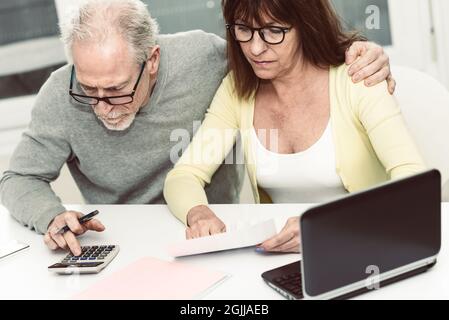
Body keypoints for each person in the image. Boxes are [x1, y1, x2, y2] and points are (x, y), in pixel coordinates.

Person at [1, 0, 393, 256]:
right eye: (89, 89)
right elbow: (18, 177)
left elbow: (278, 49)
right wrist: (51, 215)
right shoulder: (60, 92)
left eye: (117, 89)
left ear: (152, 60)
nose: (102, 105)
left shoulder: (206, 58)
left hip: (217, 238)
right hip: (121, 241)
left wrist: (355, 53)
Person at [163, 0, 426, 253]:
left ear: (306, 24)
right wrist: (198, 213)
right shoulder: (237, 90)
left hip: (365, 246)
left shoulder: (356, 77)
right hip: (282, 257)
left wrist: (325, 228)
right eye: (243, 29)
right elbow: (184, 175)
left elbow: (414, 180)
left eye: (274, 31)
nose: (255, 48)